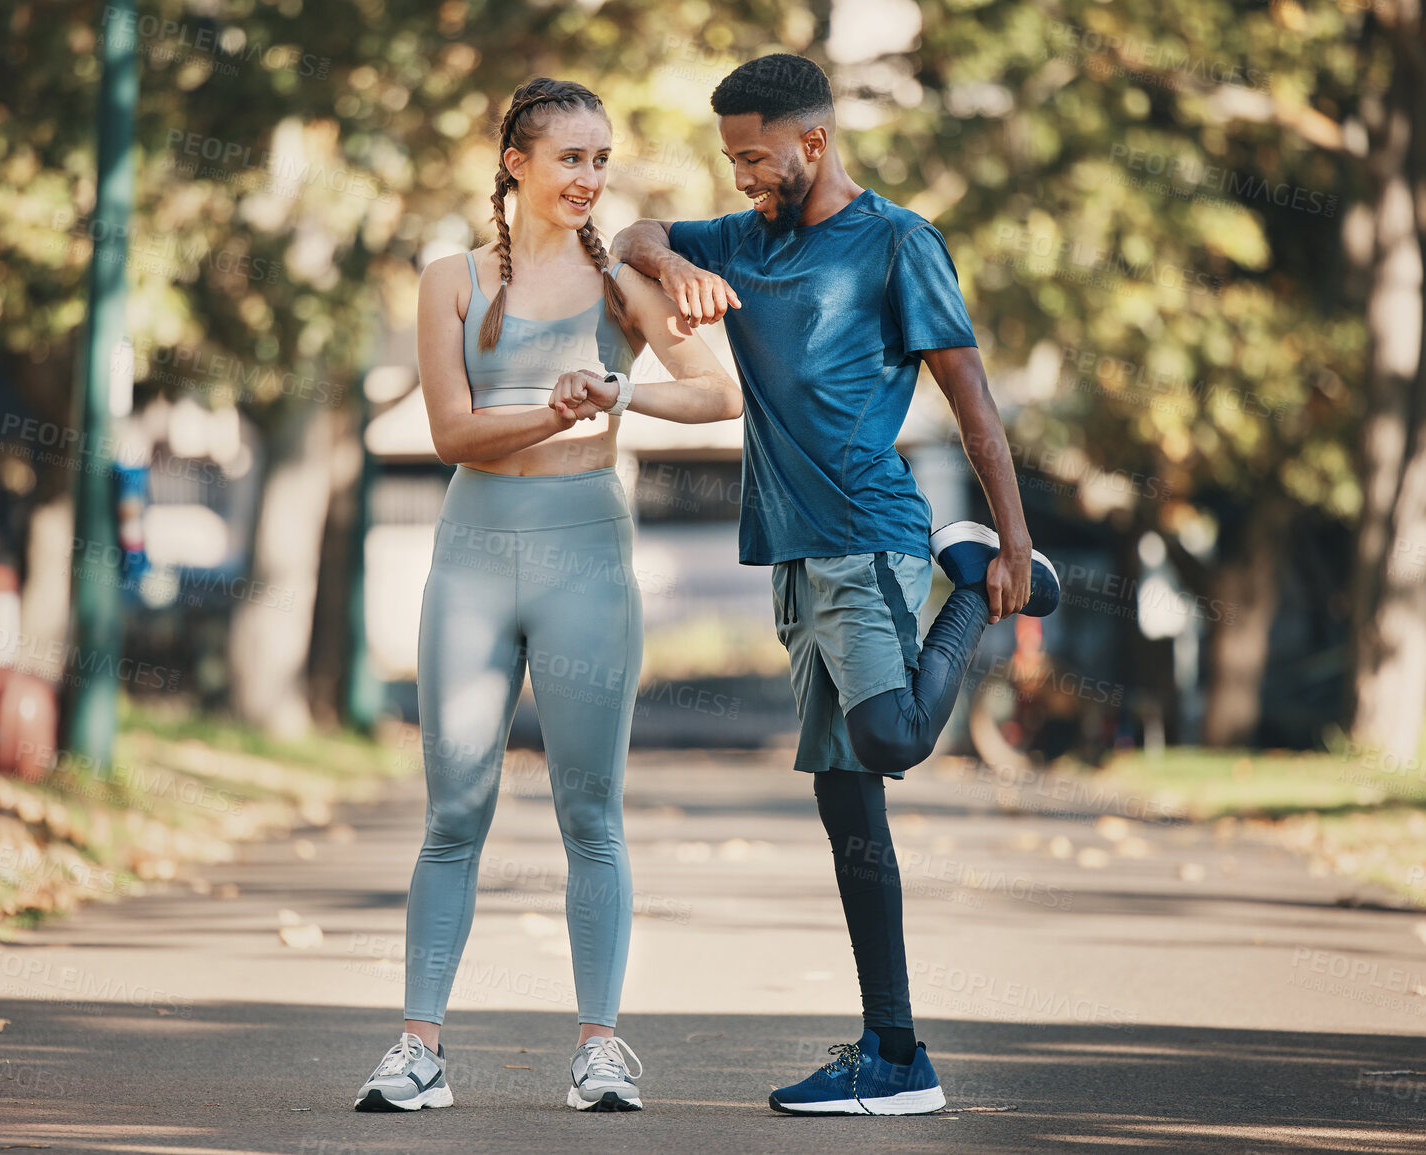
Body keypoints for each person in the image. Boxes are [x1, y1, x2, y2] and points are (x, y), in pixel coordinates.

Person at [612, 53, 1060, 1116]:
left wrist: (1008, 548)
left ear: (815, 142)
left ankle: (961, 593)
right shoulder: (745, 235)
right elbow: (629, 236)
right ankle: (895, 1056)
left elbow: (973, 403)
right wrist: (670, 264)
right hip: (794, 551)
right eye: (729, 158)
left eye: (756, 155)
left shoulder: (900, 243)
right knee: (848, 810)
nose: (739, 176)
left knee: (895, 740)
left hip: (872, 534)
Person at [354, 77, 742, 1114]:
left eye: (601, 159)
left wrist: (622, 392)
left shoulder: (622, 284)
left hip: (585, 553)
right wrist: (552, 409)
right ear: (514, 162)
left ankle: (602, 1049)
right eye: (569, 157)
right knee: (455, 809)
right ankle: (417, 1049)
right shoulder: (451, 281)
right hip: (474, 554)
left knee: (592, 812)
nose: (589, 177)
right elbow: (450, 432)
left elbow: (718, 392)